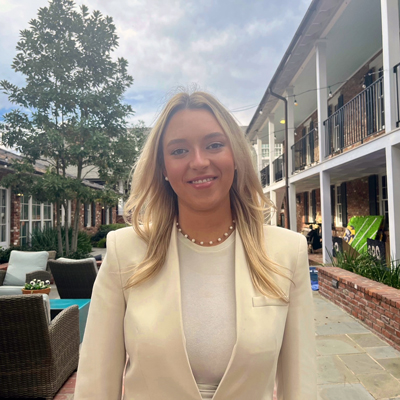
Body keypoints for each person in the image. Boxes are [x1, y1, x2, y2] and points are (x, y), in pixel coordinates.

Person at [74, 91, 316, 400]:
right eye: (179, 150)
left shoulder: (287, 251)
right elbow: (95, 383)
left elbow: (301, 385)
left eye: (214, 145)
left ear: (236, 156)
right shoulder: (125, 250)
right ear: (163, 167)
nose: (199, 162)